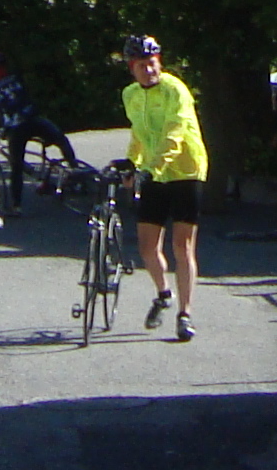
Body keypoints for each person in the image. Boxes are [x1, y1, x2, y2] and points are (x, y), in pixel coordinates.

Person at [120, 33, 207, 341]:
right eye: (142, 65)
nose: (149, 70)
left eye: (153, 63)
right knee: (147, 247)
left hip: (186, 171)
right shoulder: (130, 94)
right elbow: (139, 133)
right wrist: (131, 163)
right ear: (132, 68)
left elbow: (174, 133)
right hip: (152, 173)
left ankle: (185, 314)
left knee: (182, 246)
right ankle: (163, 293)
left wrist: (150, 169)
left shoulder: (175, 90)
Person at [0, 50, 77, 188]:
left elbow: (29, 98)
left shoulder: (16, 78)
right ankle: (16, 200)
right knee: (16, 165)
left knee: (60, 138)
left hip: (31, 119)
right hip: (15, 128)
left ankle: (75, 170)